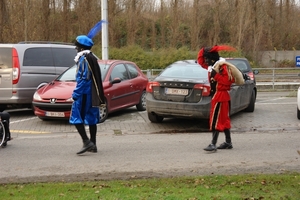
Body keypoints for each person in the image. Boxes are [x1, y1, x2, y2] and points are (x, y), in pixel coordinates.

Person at [70, 21, 106, 155]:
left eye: (76, 46)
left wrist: (76, 94)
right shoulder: (91, 57)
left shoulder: (83, 59)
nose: (75, 48)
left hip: (84, 93)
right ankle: (93, 144)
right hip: (93, 94)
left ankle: (86, 141)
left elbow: (83, 78)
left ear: (80, 48)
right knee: (91, 118)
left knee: (76, 117)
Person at [197, 45, 236, 152]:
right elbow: (200, 62)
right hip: (217, 96)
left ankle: (213, 144)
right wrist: (203, 50)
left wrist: (216, 75)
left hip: (221, 95)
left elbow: (228, 81)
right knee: (224, 119)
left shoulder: (222, 67)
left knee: (216, 120)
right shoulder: (213, 66)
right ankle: (228, 142)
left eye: (207, 59)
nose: (206, 61)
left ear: (212, 59)